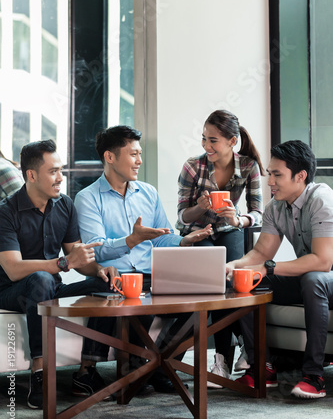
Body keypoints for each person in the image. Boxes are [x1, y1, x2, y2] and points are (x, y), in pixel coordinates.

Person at [74, 125, 212, 392]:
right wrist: (131, 240)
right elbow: (97, 250)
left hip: (152, 276)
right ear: (110, 157)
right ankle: (108, 370)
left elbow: (161, 237)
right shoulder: (88, 198)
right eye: (133, 154)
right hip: (118, 279)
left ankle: (160, 366)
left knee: (199, 304)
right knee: (119, 293)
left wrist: (183, 240)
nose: (139, 161)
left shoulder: (148, 193)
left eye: (140, 154)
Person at [0, 140, 118, 409]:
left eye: (61, 170)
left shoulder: (64, 205)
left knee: (110, 285)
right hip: (10, 290)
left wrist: (99, 270)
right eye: (53, 171)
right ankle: (39, 373)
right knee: (41, 279)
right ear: (31, 175)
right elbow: (13, 268)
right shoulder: (6, 212)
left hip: (50, 287)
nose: (60, 178)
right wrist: (64, 263)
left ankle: (86, 371)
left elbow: (76, 258)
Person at [228, 139, 333, 399]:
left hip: (325, 277)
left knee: (313, 279)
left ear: (300, 176)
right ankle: (262, 366)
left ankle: (314, 376)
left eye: (277, 175)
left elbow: (323, 261)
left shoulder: (321, 199)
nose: (270, 181)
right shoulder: (275, 207)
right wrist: (234, 266)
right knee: (244, 280)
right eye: (269, 174)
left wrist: (268, 267)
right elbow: (262, 252)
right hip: (312, 278)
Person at [176, 109, 264, 386]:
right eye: (204, 139)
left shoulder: (249, 167)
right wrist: (197, 209)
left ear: (232, 141)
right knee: (215, 282)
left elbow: (259, 213)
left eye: (213, 140)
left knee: (230, 279)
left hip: (229, 230)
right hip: (196, 233)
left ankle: (224, 358)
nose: (206, 146)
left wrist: (239, 219)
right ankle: (233, 352)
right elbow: (181, 217)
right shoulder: (192, 167)